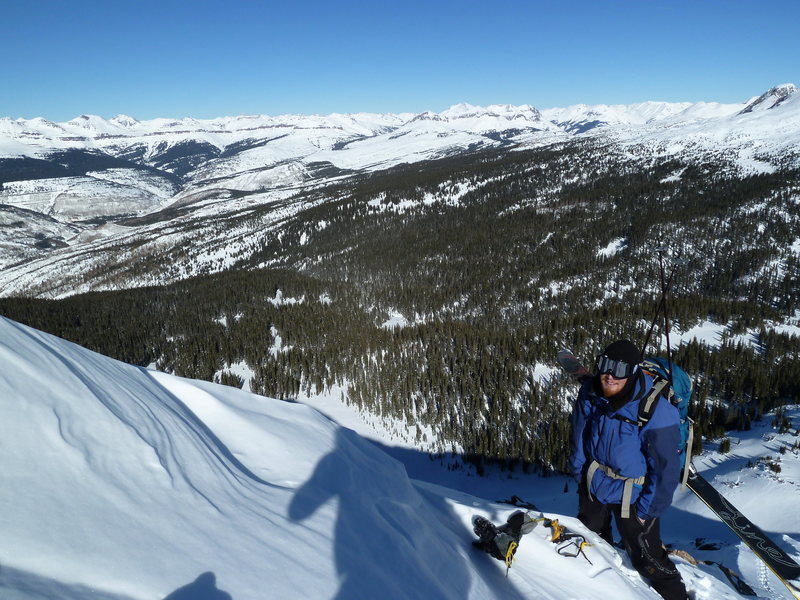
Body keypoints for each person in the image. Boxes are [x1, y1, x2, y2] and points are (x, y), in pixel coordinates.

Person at [569, 339, 688, 600]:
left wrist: (648, 511)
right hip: (594, 483)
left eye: (620, 369)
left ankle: (676, 596)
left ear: (633, 371)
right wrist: (580, 474)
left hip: (633, 496)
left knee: (648, 558)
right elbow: (579, 434)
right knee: (592, 541)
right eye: (605, 365)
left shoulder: (656, 410)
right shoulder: (590, 392)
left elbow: (665, 469)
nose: (610, 375)